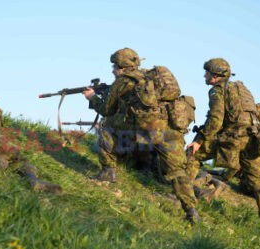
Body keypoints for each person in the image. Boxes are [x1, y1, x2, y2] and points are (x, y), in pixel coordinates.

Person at [83, 48, 199, 223]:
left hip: (145, 133)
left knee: (106, 128)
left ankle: (108, 172)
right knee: (177, 172)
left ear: (122, 67)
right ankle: (191, 212)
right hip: (170, 131)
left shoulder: (122, 81)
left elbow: (107, 109)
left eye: (114, 66)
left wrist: (92, 97)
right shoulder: (152, 77)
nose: (113, 70)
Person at [187, 58, 260, 235]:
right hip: (252, 140)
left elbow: (215, 120)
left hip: (233, 138)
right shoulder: (240, 89)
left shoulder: (217, 91)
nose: (204, 75)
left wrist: (199, 140)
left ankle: (182, 200)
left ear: (215, 76)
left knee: (192, 156)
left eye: (207, 73)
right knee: (258, 183)